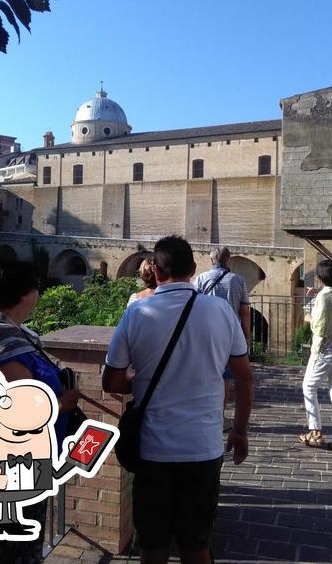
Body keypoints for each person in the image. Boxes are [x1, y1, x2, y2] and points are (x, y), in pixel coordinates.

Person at [103, 235, 253, 564]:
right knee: (196, 545)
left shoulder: (136, 312)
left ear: (155, 271)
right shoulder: (219, 311)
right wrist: (239, 431)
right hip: (203, 448)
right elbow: (243, 376)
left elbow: (111, 380)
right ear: (194, 269)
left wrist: (138, 380)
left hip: (154, 450)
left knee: (153, 546)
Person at [0, 260, 82, 564]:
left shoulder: (4, 332)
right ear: (24, 295)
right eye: (35, 288)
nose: (38, 293)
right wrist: (62, 403)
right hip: (13, 466)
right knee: (17, 551)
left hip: (23, 461)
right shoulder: (3, 343)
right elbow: (21, 409)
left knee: (20, 546)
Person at [298, 259, 332, 456]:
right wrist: (317, 295)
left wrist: (309, 318)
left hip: (326, 351)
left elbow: (321, 328)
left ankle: (315, 432)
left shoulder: (324, 297)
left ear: (322, 277)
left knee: (309, 387)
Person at [194, 247, 255, 410]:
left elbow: (192, 306)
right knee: (225, 376)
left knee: (205, 370)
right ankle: (220, 414)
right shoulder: (238, 280)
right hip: (230, 332)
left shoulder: (201, 279)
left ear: (212, 260)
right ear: (228, 261)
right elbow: (244, 312)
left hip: (205, 331)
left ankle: (205, 409)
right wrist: (246, 337)